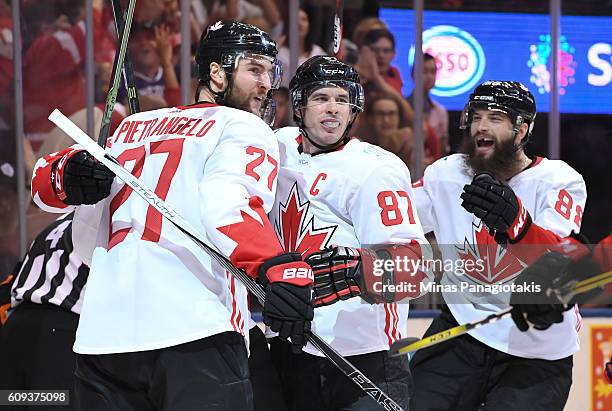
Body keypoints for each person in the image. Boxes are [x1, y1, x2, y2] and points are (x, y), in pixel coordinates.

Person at [30, 21, 314, 410]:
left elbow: (63, 208)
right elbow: (228, 206)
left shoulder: (133, 126)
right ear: (217, 72)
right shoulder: (243, 125)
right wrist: (275, 265)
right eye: (255, 69)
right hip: (194, 332)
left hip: (103, 338)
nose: (267, 83)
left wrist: (67, 174)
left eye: (270, 71)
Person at [267, 55, 432, 410]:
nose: (333, 109)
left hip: (363, 359)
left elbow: (417, 271)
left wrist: (358, 271)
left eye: (342, 100)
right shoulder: (276, 147)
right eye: (321, 98)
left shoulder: (376, 169)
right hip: (291, 349)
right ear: (298, 105)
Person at [410, 80, 587, 411]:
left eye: (495, 117)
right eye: (476, 117)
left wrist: (517, 223)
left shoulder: (558, 180)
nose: (481, 126)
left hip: (536, 348)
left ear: (521, 130)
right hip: (461, 330)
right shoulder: (446, 174)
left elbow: (560, 260)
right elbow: (396, 222)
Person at [0, 213, 88, 410]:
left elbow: (10, 284)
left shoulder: (59, 223)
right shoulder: (109, 221)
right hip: (58, 334)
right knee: (50, 401)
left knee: (11, 400)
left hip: (16, 331)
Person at [407, 53, 449, 164]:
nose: (429, 76)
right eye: (424, 71)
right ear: (413, 74)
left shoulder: (440, 111)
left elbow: (443, 148)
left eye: (433, 72)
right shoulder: (403, 107)